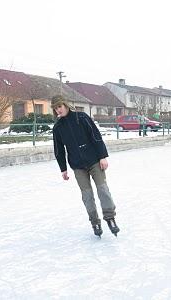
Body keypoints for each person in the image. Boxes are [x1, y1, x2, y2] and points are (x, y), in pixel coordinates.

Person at [51, 95, 119, 237]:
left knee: (103, 190)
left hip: (94, 160)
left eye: (60, 106)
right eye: (55, 108)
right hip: (77, 166)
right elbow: (59, 150)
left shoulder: (81, 117)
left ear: (65, 104)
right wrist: (63, 169)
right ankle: (95, 222)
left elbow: (95, 135)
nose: (58, 110)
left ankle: (110, 218)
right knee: (87, 196)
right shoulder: (58, 127)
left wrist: (102, 156)